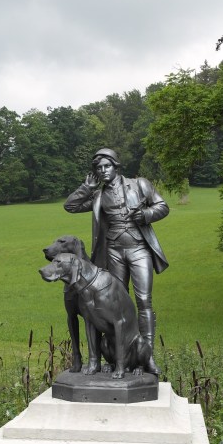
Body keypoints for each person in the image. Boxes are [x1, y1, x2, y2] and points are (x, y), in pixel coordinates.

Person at [64, 148, 169, 374]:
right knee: (114, 303)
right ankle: (115, 356)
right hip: (113, 251)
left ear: (116, 166)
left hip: (139, 248)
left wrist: (146, 215)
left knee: (143, 300)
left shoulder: (139, 184)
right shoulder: (98, 195)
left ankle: (147, 356)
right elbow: (70, 206)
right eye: (99, 168)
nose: (103, 171)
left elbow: (162, 206)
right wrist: (87, 188)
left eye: (106, 166)